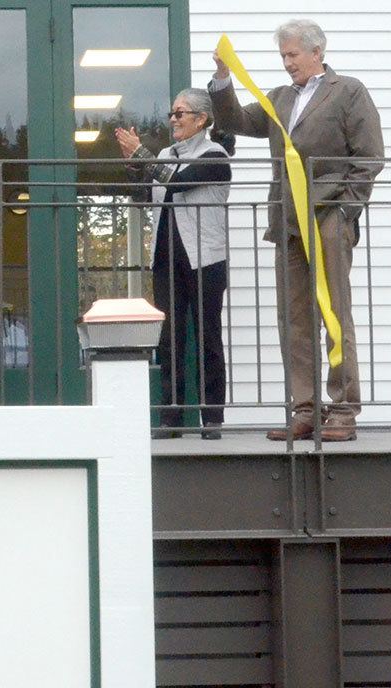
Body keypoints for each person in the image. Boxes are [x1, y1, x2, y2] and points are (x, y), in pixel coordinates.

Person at [210, 19, 384, 441]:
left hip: (327, 215)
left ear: (316, 52)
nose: (287, 63)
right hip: (287, 221)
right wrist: (221, 79)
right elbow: (233, 120)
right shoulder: (280, 99)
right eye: (283, 56)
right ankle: (305, 408)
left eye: (293, 55)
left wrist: (346, 210)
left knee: (334, 313)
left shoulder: (348, 92)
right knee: (294, 320)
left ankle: (343, 410)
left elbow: (370, 157)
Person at [117, 89, 233, 440]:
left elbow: (179, 183)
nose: (173, 119)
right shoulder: (166, 155)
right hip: (166, 257)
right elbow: (142, 193)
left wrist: (142, 155)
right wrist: (136, 165)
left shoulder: (215, 155)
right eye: (172, 113)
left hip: (204, 259)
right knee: (169, 339)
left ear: (201, 119)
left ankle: (212, 418)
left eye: (180, 113)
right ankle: (172, 416)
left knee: (206, 336)